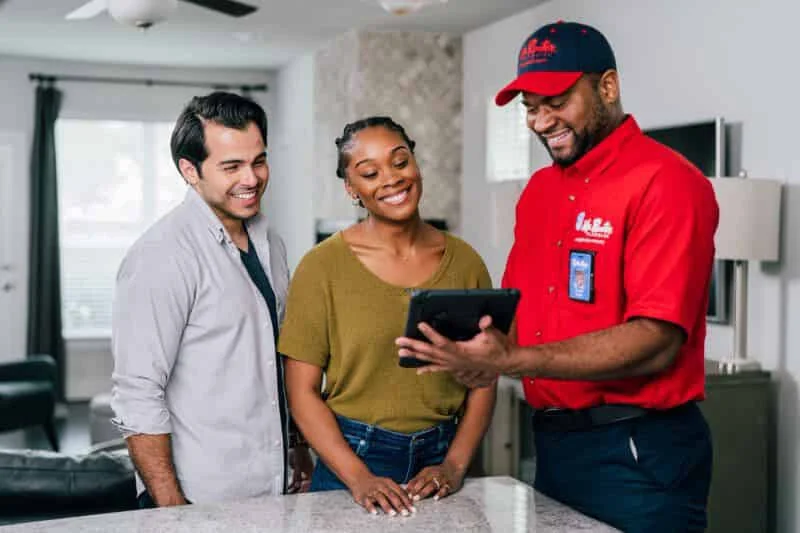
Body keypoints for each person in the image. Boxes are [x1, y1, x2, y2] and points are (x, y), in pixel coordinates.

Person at [395, 21, 719, 532]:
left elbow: (658, 340)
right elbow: (525, 315)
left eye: (557, 101)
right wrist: (478, 359)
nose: (542, 121)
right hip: (554, 445)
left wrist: (515, 359)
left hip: (637, 452)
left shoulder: (669, 183)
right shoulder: (541, 191)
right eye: (530, 107)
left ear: (607, 87)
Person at [278, 117, 496, 516]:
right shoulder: (321, 267)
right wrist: (359, 477)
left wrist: (454, 463)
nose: (391, 179)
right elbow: (302, 392)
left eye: (400, 161)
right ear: (351, 189)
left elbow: (485, 376)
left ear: (415, 164)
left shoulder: (465, 262)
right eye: (369, 172)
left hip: (443, 463)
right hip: (351, 460)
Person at [111, 91, 313, 508]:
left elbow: (276, 358)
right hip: (198, 496)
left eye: (258, 161)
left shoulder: (269, 241)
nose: (252, 178)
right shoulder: (162, 255)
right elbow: (137, 391)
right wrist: (171, 509)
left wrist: (297, 446)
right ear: (190, 170)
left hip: (273, 488)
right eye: (231, 166)